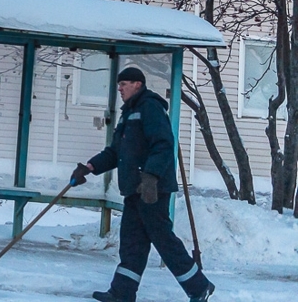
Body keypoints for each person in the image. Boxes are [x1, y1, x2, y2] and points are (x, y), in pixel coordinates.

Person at [70, 66, 215, 302]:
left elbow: (163, 144)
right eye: (119, 84)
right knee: (132, 243)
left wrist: (151, 176)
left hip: (152, 190)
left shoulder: (150, 107)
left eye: (124, 84)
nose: (120, 88)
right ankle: (122, 293)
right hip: (134, 189)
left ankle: (199, 286)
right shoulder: (128, 113)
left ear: (137, 84)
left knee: (163, 240)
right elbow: (116, 151)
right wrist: (89, 167)